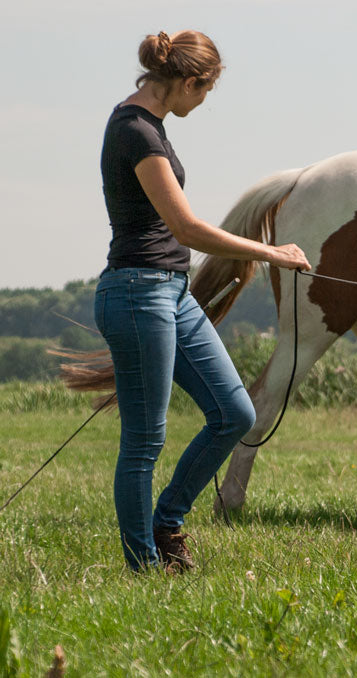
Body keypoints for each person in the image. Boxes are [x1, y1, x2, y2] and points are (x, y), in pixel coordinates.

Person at [95, 30, 310, 572]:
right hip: (138, 293)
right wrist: (270, 252)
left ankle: (166, 522)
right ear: (189, 82)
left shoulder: (153, 126)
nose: (204, 101)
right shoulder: (135, 130)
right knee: (145, 440)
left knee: (234, 412)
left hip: (170, 292)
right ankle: (144, 566)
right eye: (206, 91)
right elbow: (186, 227)